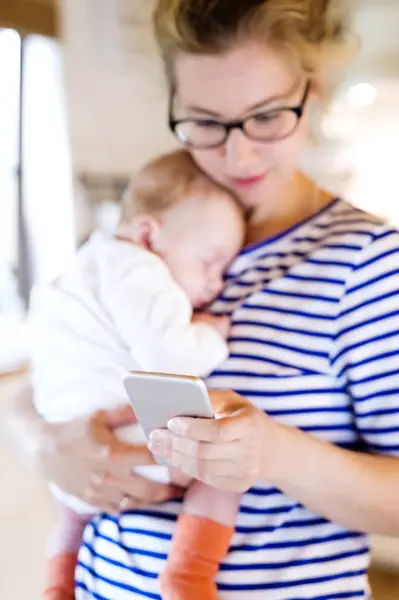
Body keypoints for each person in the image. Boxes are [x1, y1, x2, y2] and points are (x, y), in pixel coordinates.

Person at [6, 0, 399, 598]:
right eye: (206, 122)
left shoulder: (369, 261)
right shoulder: (155, 231)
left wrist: (276, 455)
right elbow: (61, 362)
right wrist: (39, 442)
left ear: (313, 95)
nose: (237, 156)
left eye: (267, 117)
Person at [28, 149, 244, 600]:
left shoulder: (83, 267)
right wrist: (210, 333)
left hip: (70, 455)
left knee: (71, 519)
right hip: (128, 446)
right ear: (148, 233)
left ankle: (58, 584)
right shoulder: (140, 270)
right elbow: (172, 358)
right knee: (224, 472)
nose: (217, 283)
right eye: (210, 261)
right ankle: (188, 575)